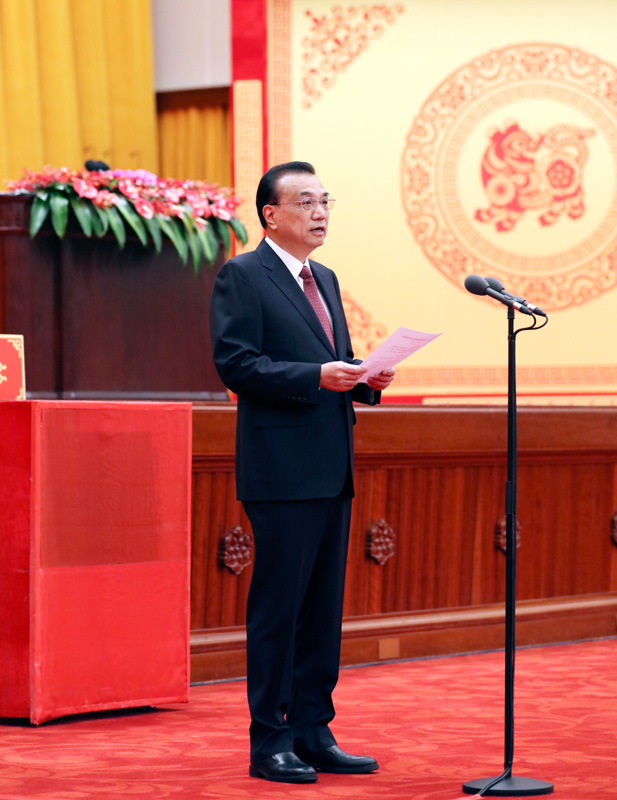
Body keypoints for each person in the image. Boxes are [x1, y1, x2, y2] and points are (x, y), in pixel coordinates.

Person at [209, 161, 395, 784]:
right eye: (307, 202)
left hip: (331, 466)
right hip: (281, 470)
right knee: (279, 610)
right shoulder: (243, 275)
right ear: (271, 214)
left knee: (321, 611)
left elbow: (331, 362)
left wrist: (365, 379)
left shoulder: (326, 279)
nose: (320, 213)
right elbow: (237, 365)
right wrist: (316, 375)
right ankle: (270, 740)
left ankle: (314, 730)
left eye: (325, 201)